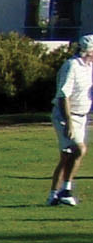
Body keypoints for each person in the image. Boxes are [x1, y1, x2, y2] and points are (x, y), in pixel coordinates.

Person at [51, 34, 93, 206]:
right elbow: (63, 95)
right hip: (65, 115)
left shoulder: (89, 67)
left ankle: (53, 195)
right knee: (79, 149)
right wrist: (68, 121)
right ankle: (65, 191)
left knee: (66, 156)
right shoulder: (72, 66)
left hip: (81, 116)